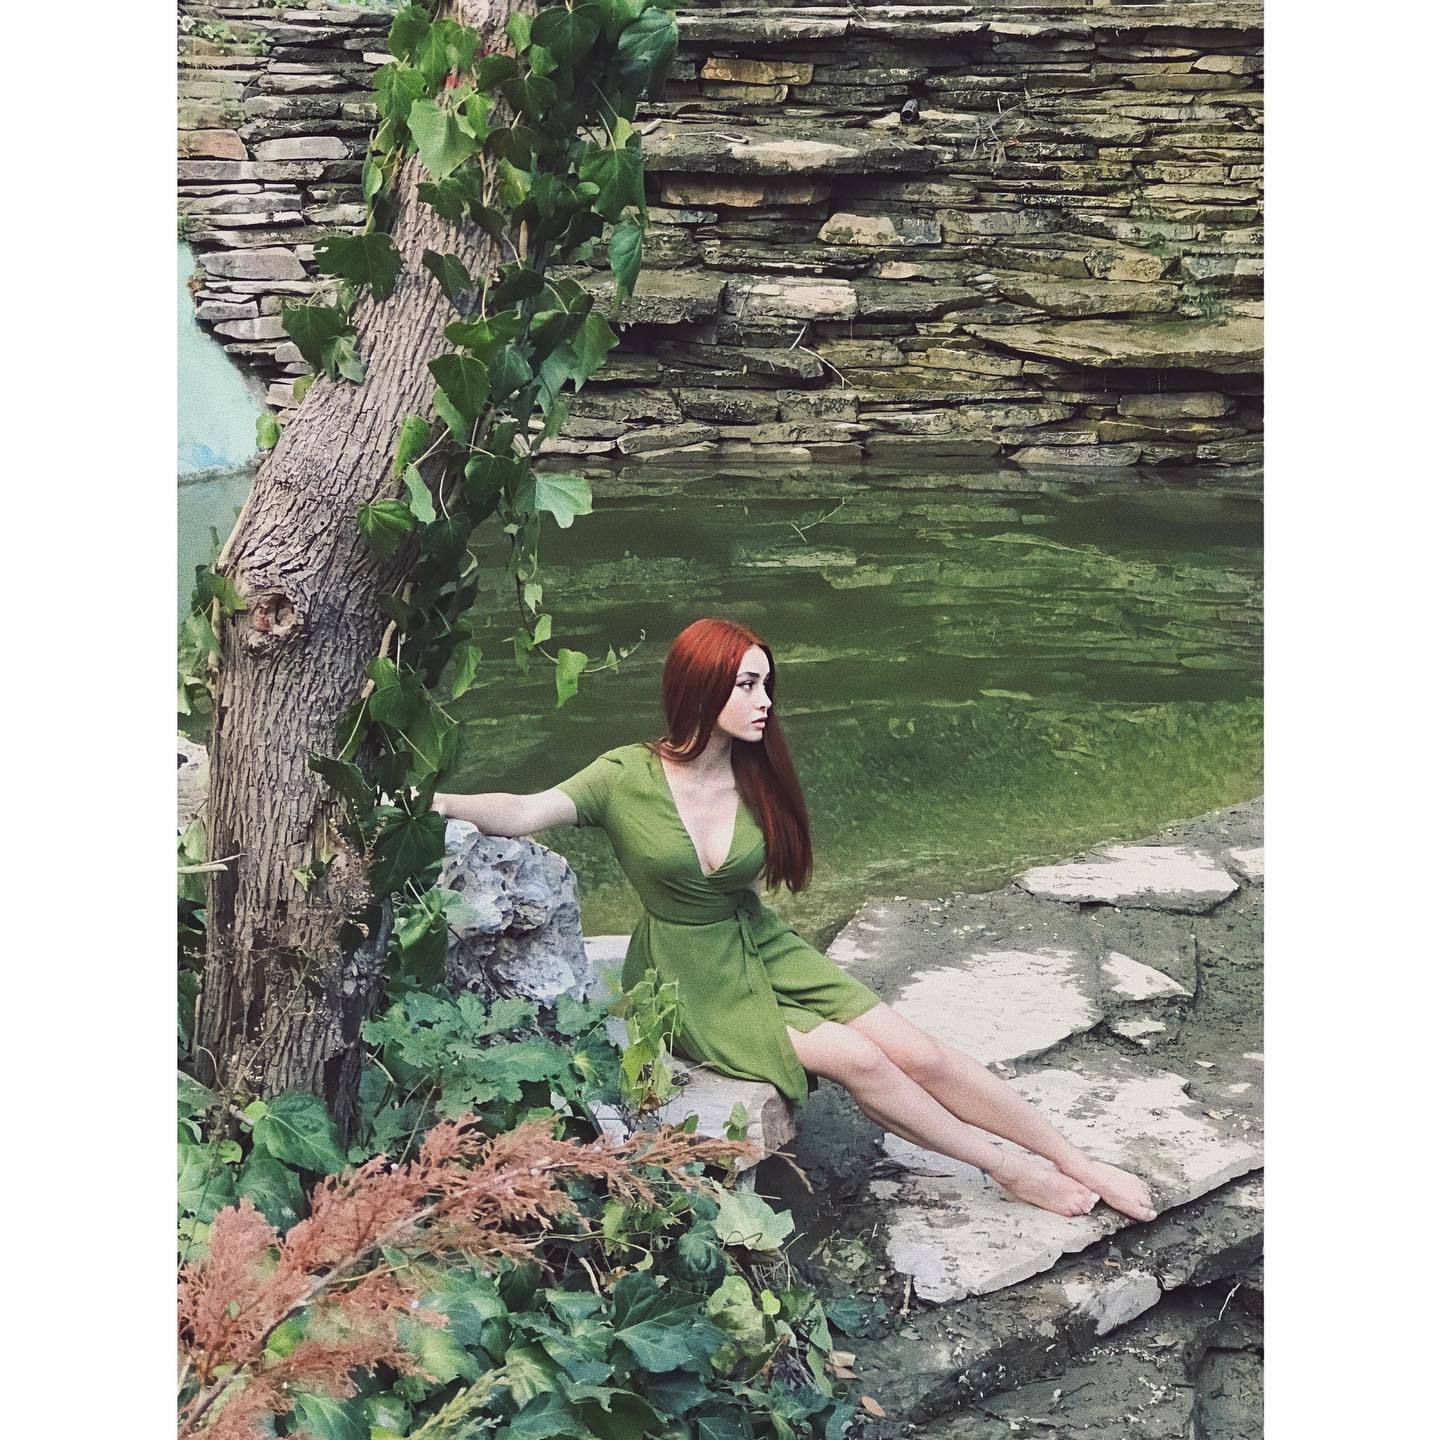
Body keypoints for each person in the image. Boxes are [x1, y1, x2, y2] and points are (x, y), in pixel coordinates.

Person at [433, 618, 1156, 1222]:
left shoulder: (756, 772)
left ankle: (1073, 1158)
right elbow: (524, 810)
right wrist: (437, 803)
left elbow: (755, 878)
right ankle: (1008, 1169)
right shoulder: (624, 776)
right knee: (858, 1058)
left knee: (923, 1054)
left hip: (760, 942)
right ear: (701, 686)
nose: (765, 700)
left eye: (766, 683)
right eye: (748, 684)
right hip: (688, 973)